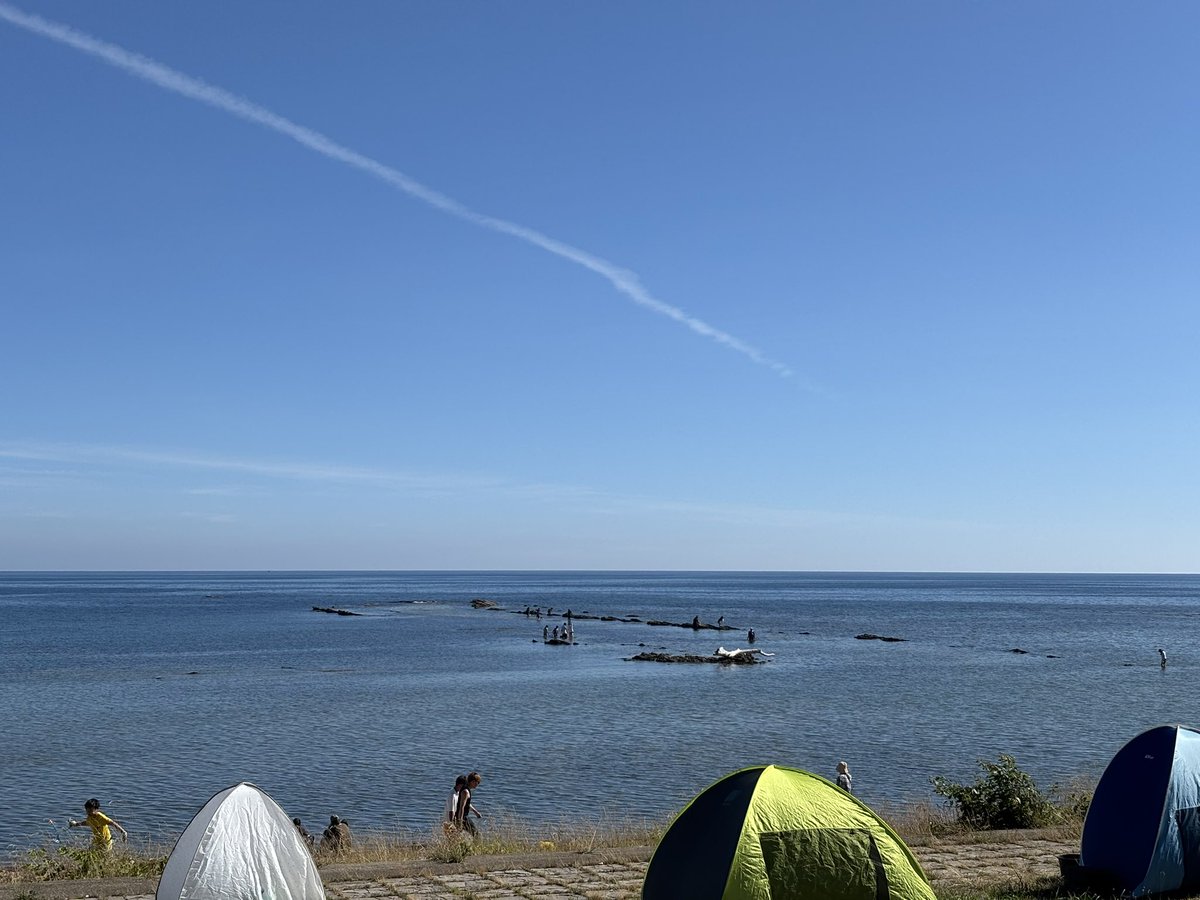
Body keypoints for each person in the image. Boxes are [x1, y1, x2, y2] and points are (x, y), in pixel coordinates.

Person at [455, 771, 484, 836]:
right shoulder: (465, 792)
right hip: (463, 817)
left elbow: (467, 804)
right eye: (477, 782)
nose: (477, 784)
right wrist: (460, 821)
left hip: (463, 817)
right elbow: (461, 807)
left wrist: (475, 812)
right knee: (477, 835)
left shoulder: (466, 789)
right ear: (473, 781)